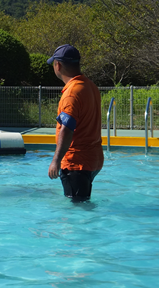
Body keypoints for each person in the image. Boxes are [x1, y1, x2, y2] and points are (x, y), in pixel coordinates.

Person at [46, 44, 104, 202]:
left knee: (78, 213)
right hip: (94, 159)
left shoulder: (72, 93)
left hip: (76, 163)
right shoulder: (90, 86)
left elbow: (67, 128)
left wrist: (56, 161)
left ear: (58, 65)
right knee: (83, 204)